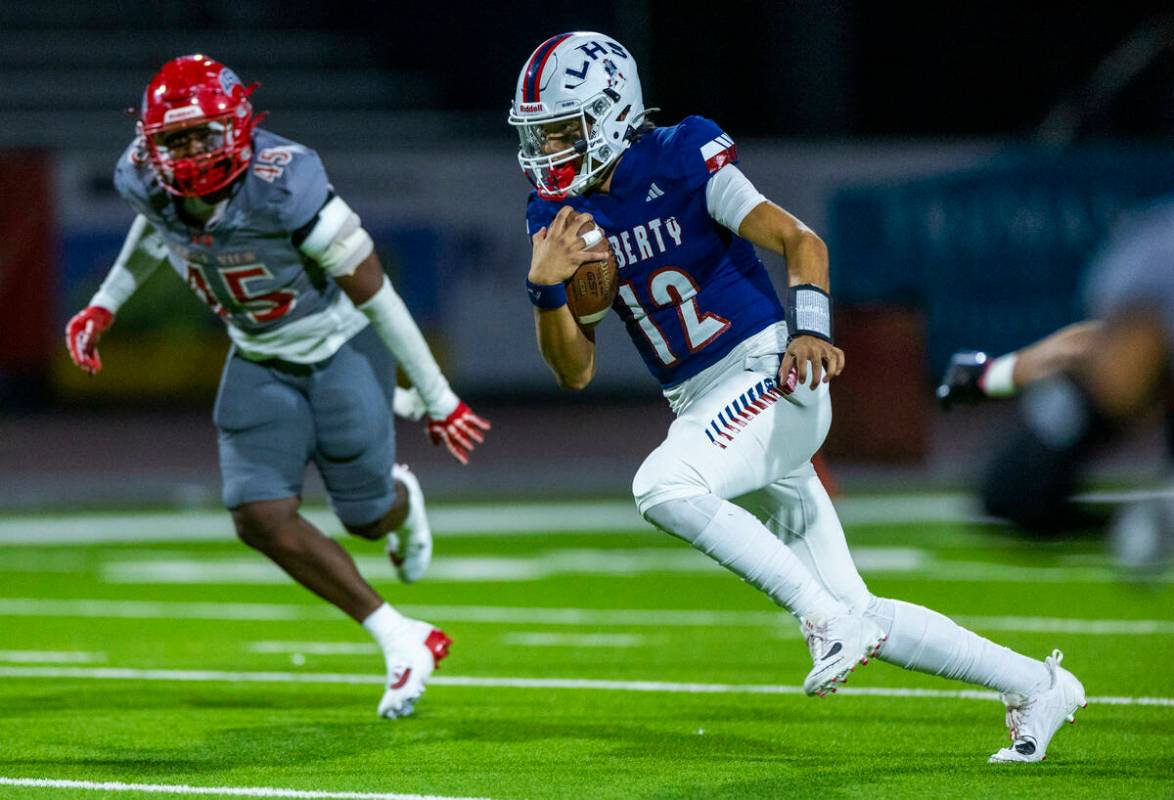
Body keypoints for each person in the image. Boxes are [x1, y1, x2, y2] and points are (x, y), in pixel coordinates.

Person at [510, 32, 1084, 763]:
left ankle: (816, 620)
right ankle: (1038, 686)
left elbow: (800, 240)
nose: (548, 149)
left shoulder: (683, 155)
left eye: (562, 130)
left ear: (613, 112)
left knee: (661, 485)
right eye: (540, 135)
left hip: (771, 377)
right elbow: (575, 372)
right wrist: (544, 290)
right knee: (863, 610)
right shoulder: (555, 214)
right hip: (706, 408)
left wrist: (809, 329)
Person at [64, 54, 491, 719]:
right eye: (173, 139)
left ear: (237, 126)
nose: (188, 152)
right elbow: (160, 223)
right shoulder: (144, 181)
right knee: (258, 516)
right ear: (151, 143)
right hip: (258, 356)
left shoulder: (287, 184)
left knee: (366, 518)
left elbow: (379, 298)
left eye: (201, 134)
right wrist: (106, 302)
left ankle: (401, 500)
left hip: (339, 346)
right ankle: (399, 635)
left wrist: (437, 397)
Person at [980, 200, 1174, 567]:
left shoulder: (1140, 272)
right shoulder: (1134, 273)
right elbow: (1005, 497)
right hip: (1111, 364)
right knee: (1013, 491)